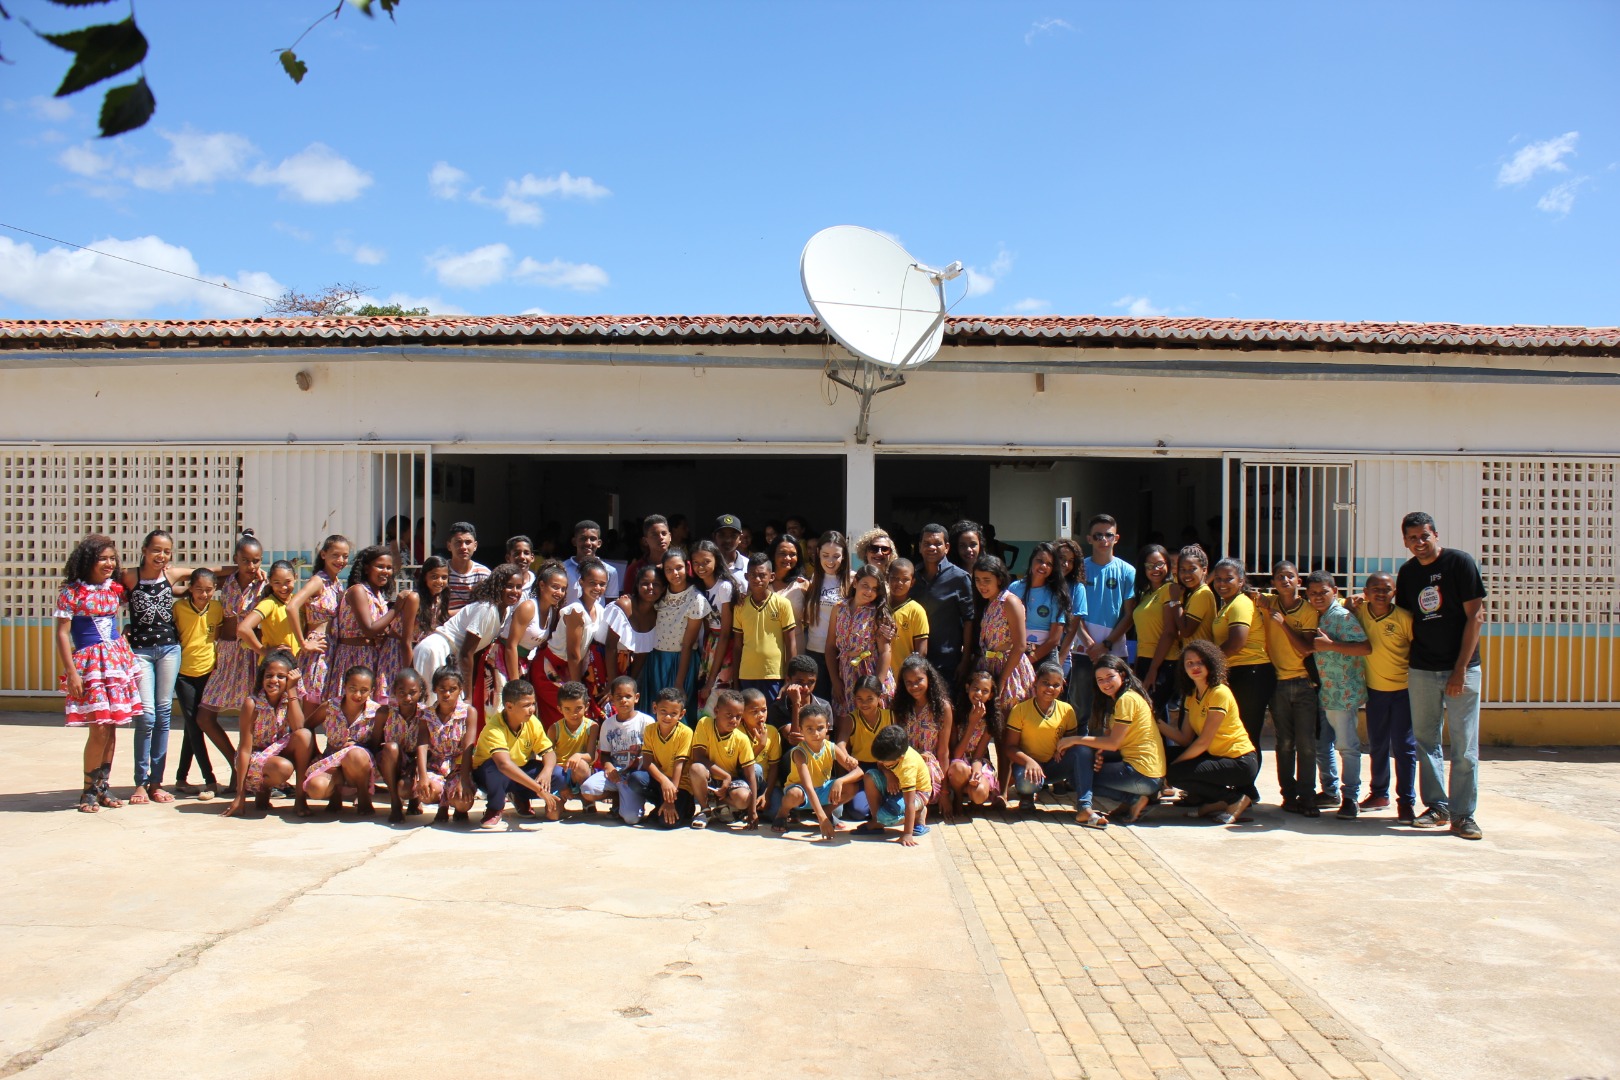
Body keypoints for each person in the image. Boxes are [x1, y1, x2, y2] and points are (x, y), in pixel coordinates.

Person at [1394, 512, 1486, 840]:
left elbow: (1475, 616)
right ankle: (1437, 807)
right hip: (1421, 669)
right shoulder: (1407, 573)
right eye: (1412, 538)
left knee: (1463, 747)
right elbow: (1404, 618)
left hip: (1461, 669)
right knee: (1426, 741)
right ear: (1405, 541)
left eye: (1424, 536)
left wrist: (1460, 670)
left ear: (1436, 534)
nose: (1419, 543)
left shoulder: (1459, 563)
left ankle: (1463, 816)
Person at [55, 534, 142, 812]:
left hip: (116, 661)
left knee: (112, 726)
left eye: (112, 558)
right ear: (87, 561)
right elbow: (61, 633)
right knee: (99, 727)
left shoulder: (114, 588)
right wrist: (72, 673)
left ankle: (103, 787)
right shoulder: (72, 592)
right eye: (102, 558)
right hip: (90, 664)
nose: (109, 563)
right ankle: (88, 791)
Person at [1159, 639, 1259, 826]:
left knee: (1174, 772)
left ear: (1211, 664)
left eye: (1200, 662)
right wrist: (1156, 722)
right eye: (1189, 663)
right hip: (1216, 758)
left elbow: (1203, 742)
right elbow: (1185, 739)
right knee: (1162, 757)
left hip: (1240, 762)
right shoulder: (1191, 696)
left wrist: (1173, 768)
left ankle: (1234, 799)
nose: (1195, 667)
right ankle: (1216, 802)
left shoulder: (1219, 692)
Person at [195, 530, 267, 788]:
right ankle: (237, 764)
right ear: (236, 559)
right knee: (204, 716)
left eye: (256, 560)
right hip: (227, 655)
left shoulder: (264, 585)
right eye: (245, 560)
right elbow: (203, 571)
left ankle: (249, 774)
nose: (251, 566)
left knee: (250, 719)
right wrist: (231, 568)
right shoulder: (226, 580)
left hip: (251, 655)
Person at [1065, 655, 1167, 826]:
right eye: (1100, 680)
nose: (1105, 683)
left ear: (1123, 675)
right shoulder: (1124, 698)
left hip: (1143, 775)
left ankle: (1134, 799)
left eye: (1110, 677)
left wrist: (1074, 739)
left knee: (1077, 779)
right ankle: (1131, 801)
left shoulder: (1126, 700)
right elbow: (1111, 743)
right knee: (1089, 766)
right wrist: (1099, 755)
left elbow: (1113, 743)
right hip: (1146, 773)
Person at [1253, 561, 1322, 814]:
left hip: (1303, 683)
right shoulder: (1268, 604)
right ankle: (1289, 795)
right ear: (1273, 582)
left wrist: (1282, 623)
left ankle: (1307, 796)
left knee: (1306, 743)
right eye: (1279, 577)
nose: (1285, 580)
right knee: (1284, 743)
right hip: (1278, 684)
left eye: (1290, 576)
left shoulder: (1307, 610)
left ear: (1298, 582)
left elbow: (1305, 649)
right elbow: (1244, 591)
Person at [412, 563, 522, 712]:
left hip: (450, 657)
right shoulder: (486, 609)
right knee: (430, 707)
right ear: (498, 586)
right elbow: (466, 653)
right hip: (435, 650)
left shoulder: (505, 611)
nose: (515, 591)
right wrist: (468, 696)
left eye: (518, 587)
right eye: (509, 586)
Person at [1307, 571, 1371, 820]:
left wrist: (1331, 645)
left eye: (1323, 592)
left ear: (1334, 591)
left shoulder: (1342, 617)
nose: (1318, 597)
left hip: (1343, 693)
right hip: (1325, 692)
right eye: (1313, 593)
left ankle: (1350, 797)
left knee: (1347, 747)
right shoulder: (1318, 616)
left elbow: (1365, 647)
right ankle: (1330, 791)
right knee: (1322, 746)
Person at [1356, 571, 1417, 823]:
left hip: (1404, 691)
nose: (1381, 594)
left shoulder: (1405, 618)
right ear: (1366, 592)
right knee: (1377, 744)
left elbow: (1418, 651)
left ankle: (1407, 802)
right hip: (1375, 691)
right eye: (1375, 589)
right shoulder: (1359, 613)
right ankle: (1379, 794)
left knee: (1404, 748)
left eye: (1387, 589)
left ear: (1394, 592)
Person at [222, 649, 310, 817]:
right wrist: (239, 796)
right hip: (258, 758)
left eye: (281, 676)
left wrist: (292, 691)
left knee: (304, 736)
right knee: (282, 767)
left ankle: (300, 798)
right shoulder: (252, 704)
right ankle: (263, 788)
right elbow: (245, 749)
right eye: (269, 675)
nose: (274, 680)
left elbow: (299, 728)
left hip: (280, 751)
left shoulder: (290, 700)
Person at [1065, 515, 1136, 722]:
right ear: (1089, 539)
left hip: (1114, 649)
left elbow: (1130, 614)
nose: (1103, 540)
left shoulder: (1127, 571)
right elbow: (1072, 611)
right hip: (1082, 649)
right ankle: (1078, 752)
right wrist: (1088, 643)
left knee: (1113, 707)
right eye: (1098, 535)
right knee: (1079, 707)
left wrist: (1106, 644)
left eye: (1108, 535)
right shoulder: (1079, 570)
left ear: (1117, 538)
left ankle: (1106, 753)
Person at [471, 677, 560, 829]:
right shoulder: (494, 728)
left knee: (558, 774)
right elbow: (504, 765)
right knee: (496, 768)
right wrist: (539, 789)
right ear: (509, 706)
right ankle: (495, 807)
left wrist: (547, 770)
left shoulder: (532, 721)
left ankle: (520, 796)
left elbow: (549, 752)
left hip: (518, 770)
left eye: (533, 704)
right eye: (526, 705)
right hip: (490, 775)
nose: (532, 709)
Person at [1209, 559, 1275, 763]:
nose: (1222, 583)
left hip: (1251, 673)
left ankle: (1248, 790)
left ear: (1241, 581)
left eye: (1229, 578)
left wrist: (1207, 662)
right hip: (1238, 672)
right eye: (1218, 579)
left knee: (1248, 733)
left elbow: (1236, 643)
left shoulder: (1240, 603)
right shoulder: (1227, 605)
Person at [172, 568, 226, 799]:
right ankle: (210, 780)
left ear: (215, 589)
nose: (203, 594)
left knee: (191, 725)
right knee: (196, 725)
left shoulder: (217, 609)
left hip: (208, 673)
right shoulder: (178, 609)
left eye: (208, 590)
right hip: (183, 674)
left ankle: (181, 778)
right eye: (198, 589)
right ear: (190, 588)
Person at [773, 702, 862, 839]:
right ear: (801, 730)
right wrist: (822, 819)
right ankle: (783, 813)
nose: (815, 733)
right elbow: (808, 787)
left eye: (820, 728)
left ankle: (827, 811)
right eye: (809, 729)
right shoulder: (799, 753)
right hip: (803, 791)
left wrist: (840, 780)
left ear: (827, 727)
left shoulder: (831, 747)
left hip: (822, 789)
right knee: (794, 794)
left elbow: (859, 772)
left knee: (851, 787)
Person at [300, 665, 382, 815]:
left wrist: (359, 746)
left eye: (364, 690)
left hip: (359, 763)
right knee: (315, 788)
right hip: (331, 760)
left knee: (354, 754)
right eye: (352, 688)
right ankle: (335, 794)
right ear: (344, 686)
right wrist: (315, 751)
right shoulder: (330, 707)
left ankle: (364, 795)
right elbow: (307, 727)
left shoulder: (377, 712)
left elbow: (380, 742)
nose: (357, 694)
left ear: (372, 690)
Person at [1003, 662, 1083, 814]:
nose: (1050, 688)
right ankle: (1027, 795)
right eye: (1045, 683)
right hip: (1027, 764)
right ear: (1035, 683)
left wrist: (1064, 748)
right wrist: (1029, 762)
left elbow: (1072, 740)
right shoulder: (1020, 709)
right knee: (1027, 784)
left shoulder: (1067, 710)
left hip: (1054, 764)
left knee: (1083, 752)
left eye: (1055, 685)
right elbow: (1010, 747)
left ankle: (1082, 800)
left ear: (1062, 685)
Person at [327, 545, 403, 705]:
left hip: (373, 657)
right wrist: (396, 608)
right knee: (351, 706)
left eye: (389, 568)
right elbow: (369, 629)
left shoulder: (378, 595)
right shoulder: (358, 591)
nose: (385, 571)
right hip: (355, 657)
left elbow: (380, 626)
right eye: (380, 566)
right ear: (367, 568)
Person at [827, 565, 896, 727]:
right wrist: (835, 681)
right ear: (855, 583)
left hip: (871, 674)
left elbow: (885, 651)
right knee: (848, 725)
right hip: (845, 676)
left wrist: (876, 687)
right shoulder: (839, 608)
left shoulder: (877, 613)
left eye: (874, 589)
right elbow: (830, 646)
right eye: (865, 585)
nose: (869, 592)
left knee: (874, 724)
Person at [580, 676, 655, 824]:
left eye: (628, 696)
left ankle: (632, 799)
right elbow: (605, 755)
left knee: (631, 818)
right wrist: (608, 767)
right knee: (587, 790)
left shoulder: (646, 722)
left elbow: (650, 756)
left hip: (635, 778)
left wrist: (633, 775)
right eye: (619, 697)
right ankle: (617, 798)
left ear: (636, 698)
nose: (623, 701)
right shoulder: (608, 724)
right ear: (612, 699)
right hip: (615, 775)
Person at [286, 534, 350, 708]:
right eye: (335, 555)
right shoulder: (318, 580)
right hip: (318, 650)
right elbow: (291, 607)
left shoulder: (336, 583)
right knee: (310, 710)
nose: (341, 560)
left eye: (345, 556)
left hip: (332, 650)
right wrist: (303, 643)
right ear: (323, 555)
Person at [641, 549, 709, 703]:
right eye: (669, 570)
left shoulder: (696, 598)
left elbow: (688, 643)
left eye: (679, 567)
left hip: (681, 662)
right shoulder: (660, 593)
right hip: (657, 660)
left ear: (687, 567)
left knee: (677, 711)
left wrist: (679, 682)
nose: (675, 573)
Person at [412, 667, 477, 825]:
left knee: (464, 801)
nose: (447, 694)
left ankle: (457, 807)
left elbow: (469, 747)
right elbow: (421, 745)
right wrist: (423, 777)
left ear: (460, 690)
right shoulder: (426, 715)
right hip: (436, 766)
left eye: (452, 689)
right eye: (442, 689)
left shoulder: (468, 712)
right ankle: (443, 806)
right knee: (426, 793)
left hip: (460, 767)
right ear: (435, 689)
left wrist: (464, 780)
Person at [732, 553, 799, 704]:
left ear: (772, 576)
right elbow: (737, 646)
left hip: (774, 675)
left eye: (762, 575)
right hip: (747, 675)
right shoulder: (740, 606)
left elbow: (791, 643)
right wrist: (735, 681)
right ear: (746, 576)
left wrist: (790, 677)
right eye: (753, 575)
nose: (757, 580)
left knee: (771, 721)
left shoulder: (782, 604)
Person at [914, 523, 975, 687]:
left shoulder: (960, 578)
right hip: (916, 661)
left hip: (948, 661)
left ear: (947, 547)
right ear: (920, 547)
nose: (931, 547)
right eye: (926, 543)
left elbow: (969, 620)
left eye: (937, 543)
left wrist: (965, 660)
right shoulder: (912, 578)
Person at [971, 556, 1035, 711]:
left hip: (1010, 669)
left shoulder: (1010, 602)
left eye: (987, 580)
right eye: (978, 580)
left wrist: (1002, 680)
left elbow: (1020, 646)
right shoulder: (988, 603)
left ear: (999, 579)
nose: (981, 585)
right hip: (989, 668)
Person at [890, 654, 951, 816]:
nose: (914, 686)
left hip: (930, 767)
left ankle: (917, 807)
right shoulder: (900, 707)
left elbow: (944, 751)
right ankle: (913, 808)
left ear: (929, 678)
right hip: (906, 763)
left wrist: (945, 793)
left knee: (927, 771)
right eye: (908, 683)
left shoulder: (942, 708)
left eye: (919, 680)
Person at [688, 689, 758, 828]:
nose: (734, 720)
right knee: (696, 769)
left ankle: (722, 804)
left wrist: (752, 811)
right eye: (729, 715)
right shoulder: (705, 723)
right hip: (709, 780)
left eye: (738, 716)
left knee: (744, 799)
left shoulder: (741, 739)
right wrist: (725, 776)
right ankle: (705, 809)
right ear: (716, 711)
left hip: (729, 784)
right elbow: (699, 757)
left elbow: (751, 775)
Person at [854, 724, 933, 846]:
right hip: (898, 784)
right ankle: (876, 821)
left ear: (900, 758)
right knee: (869, 776)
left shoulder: (908, 767)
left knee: (887, 816)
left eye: (884, 760)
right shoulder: (887, 752)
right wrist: (888, 774)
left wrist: (907, 834)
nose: (881, 761)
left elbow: (909, 802)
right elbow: (880, 764)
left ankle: (919, 814)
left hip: (917, 793)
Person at [801, 531, 851, 699]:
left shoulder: (852, 580)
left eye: (836, 556)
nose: (830, 561)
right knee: (819, 707)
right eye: (825, 555)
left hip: (841, 654)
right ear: (818, 554)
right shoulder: (815, 578)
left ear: (844, 556)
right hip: (814, 651)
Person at [688, 540, 737, 711]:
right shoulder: (699, 587)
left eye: (706, 562)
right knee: (704, 698)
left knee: (716, 697)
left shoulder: (724, 586)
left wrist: (710, 680)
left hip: (725, 647)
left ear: (716, 560)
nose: (701, 567)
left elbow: (725, 634)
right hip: (710, 645)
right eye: (696, 563)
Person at [1125, 545, 1174, 711]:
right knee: (1151, 716)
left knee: (1154, 715)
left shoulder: (1169, 590)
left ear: (1168, 565)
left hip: (1163, 661)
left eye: (1160, 564)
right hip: (1145, 660)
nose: (1155, 569)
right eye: (1149, 566)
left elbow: (1169, 632)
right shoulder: (1146, 593)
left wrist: (1153, 670)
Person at [947, 669, 1001, 813]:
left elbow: (978, 755)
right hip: (958, 763)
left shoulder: (990, 718)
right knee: (959, 768)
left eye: (985, 691)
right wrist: (972, 723)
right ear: (967, 688)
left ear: (990, 695)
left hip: (977, 761)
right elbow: (956, 755)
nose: (978, 694)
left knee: (979, 794)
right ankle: (958, 796)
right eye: (975, 689)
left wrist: (976, 771)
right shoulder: (956, 713)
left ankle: (972, 795)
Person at [641, 687, 695, 827]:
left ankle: (684, 804)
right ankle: (660, 804)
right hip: (660, 780)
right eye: (663, 711)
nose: (667, 717)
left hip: (679, 783)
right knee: (636, 780)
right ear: (655, 708)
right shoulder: (650, 730)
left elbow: (679, 765)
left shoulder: (685, 733)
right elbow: (647, 762)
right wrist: (664, 780)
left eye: (673, 713)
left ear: (681, 714)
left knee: (667, 824)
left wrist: (670, 801)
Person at [1009, 541, 1068, 667]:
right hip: (1015, 655)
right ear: (1031, 561)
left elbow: (1054, 640)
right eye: (1040, 560)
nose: (1043, 566)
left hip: (1043, 659)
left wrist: (1030, 660)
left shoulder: (1056, 595)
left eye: (1049, 564)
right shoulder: (1014, 588)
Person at [605, 564, 662, 687]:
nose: (650, 587)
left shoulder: (656, 615)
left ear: (663, 589)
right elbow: (610, 646)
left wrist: (631, 683)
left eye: (656, 584)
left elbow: (642, 653)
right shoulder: (624, 605)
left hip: (625, 668)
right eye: (645, 583)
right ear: (637, 585)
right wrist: (613, 684)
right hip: (604, 663)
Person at [547, 681, 599, 814]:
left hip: (580, 772)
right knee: (552, 815)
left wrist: (578, 755)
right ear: (560, 709)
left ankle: (586, 799)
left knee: (580, 764)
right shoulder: (554, 729)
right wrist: (562, 785)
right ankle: (561, 797)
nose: (573, 714)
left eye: (578, 708)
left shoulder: (592, 727)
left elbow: (591, 756)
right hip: (560, 774)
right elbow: (547, 757)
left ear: (586, 706)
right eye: (567, 709)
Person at [236, 560, 302, 660]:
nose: (283, 587)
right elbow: (243, 628)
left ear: (295, 577)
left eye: (287, 582)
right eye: (277, 582)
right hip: (274, 665)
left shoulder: (297, 601)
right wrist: (264, 651)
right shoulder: (269, 603)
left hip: (295, 664)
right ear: (270, 581)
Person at [739, 687, 783, 821]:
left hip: (764, 784)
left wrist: (766, 794)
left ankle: (757, 806)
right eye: (754, 712)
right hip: (743, 780)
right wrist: (761, 745)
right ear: (742, 713)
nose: (761, 715)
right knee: (755, 769)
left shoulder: (772, 732)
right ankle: (746, 807)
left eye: (764, 710)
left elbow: (774, 766)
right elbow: (740, 766)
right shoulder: (737, 732)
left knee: (776, 811)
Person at [770, 653, 833, 744]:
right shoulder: (779, 707)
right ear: (788, 680)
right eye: (800, 682)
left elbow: (825, 742)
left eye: (811, 682)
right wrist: (796, 704)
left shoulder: (824, 706)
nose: (806, 688)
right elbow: (795, 741)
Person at [564, 520, 621, 604]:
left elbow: (610, 605)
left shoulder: (610, 571)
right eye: (583, 538)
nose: (588, 543)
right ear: (574, 541)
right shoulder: (563, 569)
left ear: (599, 543)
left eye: (593, 539)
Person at [885, 558, 930, 663]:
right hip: (878, 675)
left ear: (912, 582)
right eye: (895, 578)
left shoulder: (916, 611)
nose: (899, 583)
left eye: (905, 579)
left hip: (903, 676)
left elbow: (921, 652)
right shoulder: (879, 605)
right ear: (887, 578)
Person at [444, 522, 490, 615]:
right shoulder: (440, 572)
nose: (463, 547)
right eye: (458, 542)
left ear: (475, 546)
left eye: (468, 542)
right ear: (449, 546)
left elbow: (487, 610)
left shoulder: (484, 574)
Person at [770, 534, 809, 629]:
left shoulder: (803, 584)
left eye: (793, 554)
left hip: (797, 642)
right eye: (782, 553)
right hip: (767, 642)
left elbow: (809, 620)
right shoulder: (762, 583)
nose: (787, 558)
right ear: (773, 554)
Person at [624, 514, 673, 588]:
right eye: (655, 535)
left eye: (664, 533)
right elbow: (628, 597)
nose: (661, 537)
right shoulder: (635, 569)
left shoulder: (682, 566)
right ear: (645, 541)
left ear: (670, 537)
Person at [712, 513, 749, 583]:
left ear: (740, 538)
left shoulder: (748, 566)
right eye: (722, 535)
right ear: (714, 537)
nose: (727, 540)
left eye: (733, 535)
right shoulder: (707, 565)